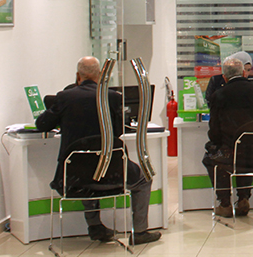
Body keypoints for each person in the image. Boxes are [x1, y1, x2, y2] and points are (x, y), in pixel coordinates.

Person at [36, 56, 161, 245]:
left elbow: (42, 124)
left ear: (78, 76)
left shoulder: (64, 97)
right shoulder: (112, 97)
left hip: (72, 177)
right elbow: (119, 130)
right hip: (111, 172)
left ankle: (95, 226)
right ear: (102, 75)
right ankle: (140, 232)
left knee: (85, 170)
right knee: (144, 179)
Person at [203, 56, 253, 217]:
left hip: (233, 154)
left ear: (224, 77)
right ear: (243, 73)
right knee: (246, 151)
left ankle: (225, 204)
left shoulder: (219, 95)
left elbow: (214, 132)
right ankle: (243, 198)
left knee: (212, 158)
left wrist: (216, 145)